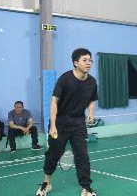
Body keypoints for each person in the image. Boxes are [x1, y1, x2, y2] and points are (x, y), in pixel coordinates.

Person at [37, 48, 98, 192]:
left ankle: (86, 187)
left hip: (78, 123)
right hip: (60, 123)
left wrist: (90, 112)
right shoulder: (65, 79)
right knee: (53, 155)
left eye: (90, 60)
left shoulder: (92, 81)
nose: (88, 63)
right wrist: (52, 125)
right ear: (75, 63)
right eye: (84, 60)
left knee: (82, 156)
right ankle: (46, 183)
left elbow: (92, 99)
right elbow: (54, 101)